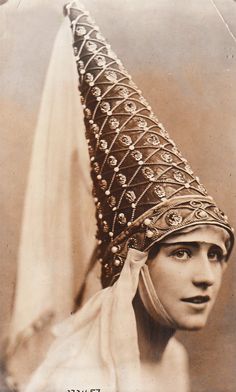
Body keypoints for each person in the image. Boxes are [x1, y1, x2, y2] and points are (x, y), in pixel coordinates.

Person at [13, 1, 235, 391]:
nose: (206, 278)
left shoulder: (173, 360)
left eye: (215, 254)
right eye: (181, 252)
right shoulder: (75, 377)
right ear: (134, 265)